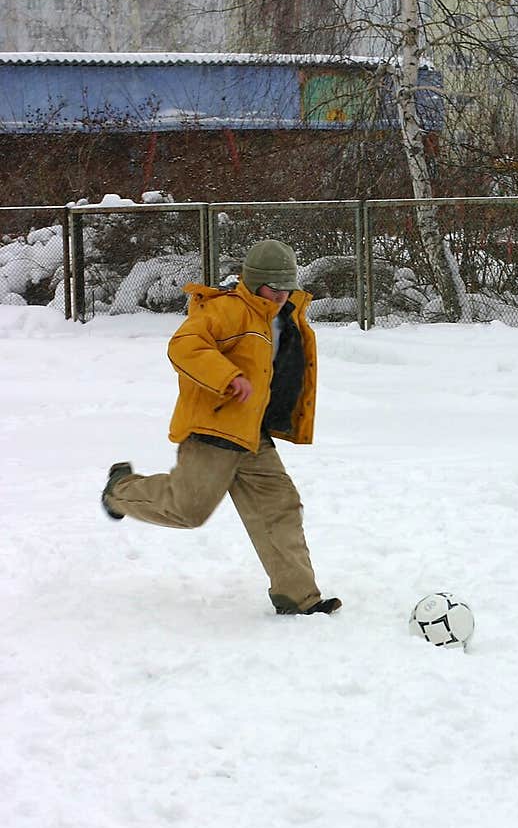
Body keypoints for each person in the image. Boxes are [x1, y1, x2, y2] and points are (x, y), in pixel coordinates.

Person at [101, 238, 341, 617]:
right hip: (213, 433)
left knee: (280, 508)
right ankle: (120, 491)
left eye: (286, 287)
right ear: (253, 281)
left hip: (251, 436)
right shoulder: (228, 310)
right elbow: (184, 345)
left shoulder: (285, 316)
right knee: (188, 510)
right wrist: (227, 376)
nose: (280, 295)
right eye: (272, 287)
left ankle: (299, 599)